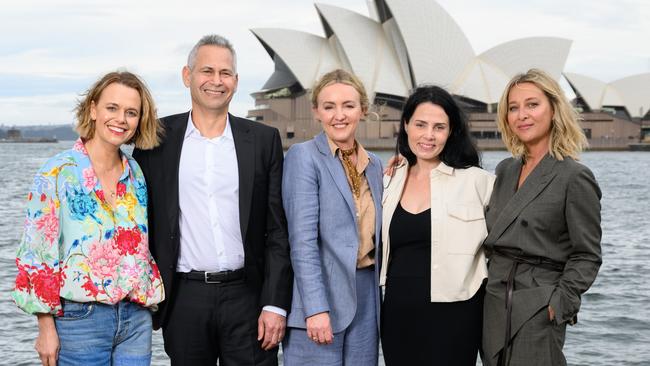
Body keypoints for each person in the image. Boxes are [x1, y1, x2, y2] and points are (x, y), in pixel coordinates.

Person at [132, 34, 292, 365]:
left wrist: (274, 303)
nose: (216, 81)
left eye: (225, 73)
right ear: (187, 76)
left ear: (235, 81)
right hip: (184, 298)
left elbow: (277, 230)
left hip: (248, 296)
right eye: (207, 71)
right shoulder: (155, 140)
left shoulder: (263, 140)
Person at [12, 71, 165, 366]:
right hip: (79, 322)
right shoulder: (56, 173)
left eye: (131, 112)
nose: (121, 119)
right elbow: (38, 255)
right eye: (112, 108)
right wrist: (45, 327)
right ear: (93, 109)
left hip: (135, 320)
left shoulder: (136, 175)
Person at [482, 68, 602, 366]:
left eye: (532, 104)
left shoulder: (574, 176)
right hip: (493, 304)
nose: (521, 114)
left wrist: (559, 304)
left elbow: (587, 254)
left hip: (537, 307)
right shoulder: (505, 170)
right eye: (513, 107)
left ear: (554, 109)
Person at [379, 85, 494, 365]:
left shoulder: (478, 181)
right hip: (397, 315)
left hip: (456, 316)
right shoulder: (389, 180)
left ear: (451, 131)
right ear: (406, 125)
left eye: (439, 127)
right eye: (420, 124)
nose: (428, 135)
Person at [281, 69, 383, 366]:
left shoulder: (375, 165)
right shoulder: (304, 157)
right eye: (329, 107)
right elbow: (301, 242)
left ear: (363, 110)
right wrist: (315, 308)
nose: (339, 115)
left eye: (348, 106)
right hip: (320, 298)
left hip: (366, 300)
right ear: (317, 112)